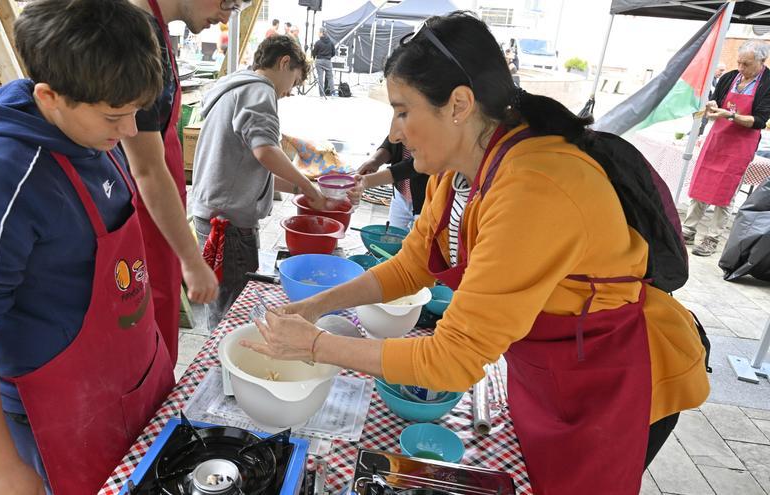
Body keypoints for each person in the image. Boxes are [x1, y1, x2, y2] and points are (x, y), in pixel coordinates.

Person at [243, 12, 709, 494]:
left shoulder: (535, 187)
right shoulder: (458, 170)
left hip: (610, 380)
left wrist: (316, 346)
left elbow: (451, 360)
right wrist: (316, 305)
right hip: (550, 369)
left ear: (459, 105)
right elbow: (411, 265)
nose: (395, 132)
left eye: (403, 111)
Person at [0, 1, 171, 493]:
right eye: (114, 116)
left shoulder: (89, 135)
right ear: (49, 96)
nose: (128, 131)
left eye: (136, 112)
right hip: (55, 413)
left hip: (125, 380)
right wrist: (2, 469)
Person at [126, 0, 246, 363]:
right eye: (228, 2)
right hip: (139, 217)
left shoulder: (156, 31)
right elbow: (146, 167)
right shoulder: (134, 37)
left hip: (160, 214)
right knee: (143, 337)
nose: (227, 15)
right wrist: (192, 260)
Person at [191, 35, 326, 330]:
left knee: (221, 306)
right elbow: (265, 151)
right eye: (295, 81)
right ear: (284, 62)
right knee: (232, 313)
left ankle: (221, 363)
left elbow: (247, 169)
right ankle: (224, 369)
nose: (290, 92)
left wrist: (303, 189)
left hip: (211, 215)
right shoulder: (260, 90)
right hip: (229, 226)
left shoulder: (234, 87)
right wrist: (306, 185)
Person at [684, 41, 770, 256]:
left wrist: (730, 115)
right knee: (701, 183)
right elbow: (716, 101)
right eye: (739, 62)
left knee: (726, 190)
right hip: (717, 139)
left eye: (746, 64)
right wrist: (713, 106)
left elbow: (760, 120)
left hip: (741, 144)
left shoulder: (768, 83)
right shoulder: (729, 77)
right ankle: (688, 229)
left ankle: (712, 238)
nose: (741, 68)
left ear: (762, 61)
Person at [356, 137, 427, 230]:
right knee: (393, 234)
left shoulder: (438, 139)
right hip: (401, 195)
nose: (397, 136)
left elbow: (415, 164)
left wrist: (367, 181)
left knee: (421, 240)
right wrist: (375, 161)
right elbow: (392, 141)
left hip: (426, 202)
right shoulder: (400, 131)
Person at [312, 27, 335, 97]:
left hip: (319, 61)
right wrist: (328, 57)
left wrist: (314, 57)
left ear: (321, 33)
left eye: (319, 32)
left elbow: (314, 53)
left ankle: (322, 94)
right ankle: (333, 92)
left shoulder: (318, 43)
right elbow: (333, 53)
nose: (318, 34)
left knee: (320, 77)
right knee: (330, 77)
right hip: (328, 61)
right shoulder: (331, 42)